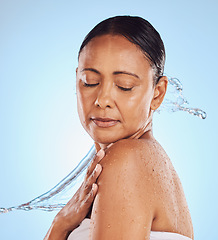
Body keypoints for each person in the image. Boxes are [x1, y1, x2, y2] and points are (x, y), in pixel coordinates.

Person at [44, 15, 194, 240]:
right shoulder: (149, 161)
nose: (103, 99)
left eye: (124, 86)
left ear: (158, 93)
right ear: (76, 79)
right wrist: (60, 224)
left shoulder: (127, 160)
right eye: (90, 81)